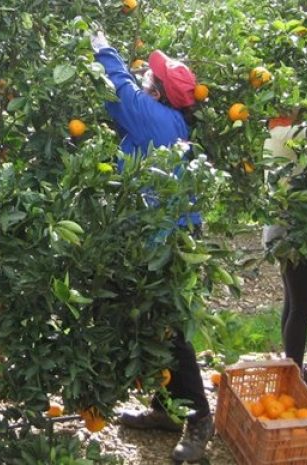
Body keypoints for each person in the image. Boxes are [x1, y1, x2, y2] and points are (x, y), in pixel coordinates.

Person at [90, 32, 212, 463]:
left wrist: (102, 45)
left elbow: (117, 86)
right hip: (159, 237)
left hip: (168, 244)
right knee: (157, 327)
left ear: (157, 91)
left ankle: (199, 421)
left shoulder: (151, 117)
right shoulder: (166, 120)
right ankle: (165, 409)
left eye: (149, 76)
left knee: (173, 333)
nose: (142, 76)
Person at [262, 117, 307, 388]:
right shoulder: (296, 133)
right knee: (304, 307)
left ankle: (294, 368)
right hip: (295, 230)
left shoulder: (274, 133)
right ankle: (293, 378)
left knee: (293, 301)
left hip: (280, 227)